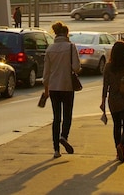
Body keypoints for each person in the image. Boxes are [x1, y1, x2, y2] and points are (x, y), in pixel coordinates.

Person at [43, 21, 81, 159]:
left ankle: (56, 150)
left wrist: (46, 91)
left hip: (53, 88)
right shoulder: (71, 47)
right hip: (67, 86)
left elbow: (46, 74)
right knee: (67, 115)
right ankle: (64, 136)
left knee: (56, 118)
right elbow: (76, 67)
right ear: (66, 34)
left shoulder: (49, 49)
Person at [100, 40, 124, 163]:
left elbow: (105, 86)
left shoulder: (108, 67)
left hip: (113, 101)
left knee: (117, 125)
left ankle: (117, 152)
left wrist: (103, 101)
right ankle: (121, 145)